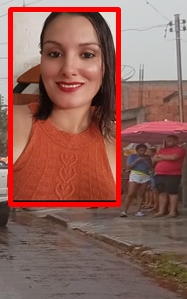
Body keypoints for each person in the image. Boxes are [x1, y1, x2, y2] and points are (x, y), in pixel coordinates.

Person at [12, 12, 117, 202]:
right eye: (54, 54)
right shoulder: (14, 123)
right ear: (43, 60)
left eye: (87, 54)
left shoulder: (116, 138)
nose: (68, 69)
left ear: (106, 64)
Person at [151, 134, 186, 218]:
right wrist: (164, 157)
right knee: (162, 193)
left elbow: (173, 157)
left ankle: (172, 212)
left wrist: (160, 156)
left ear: (176, 141)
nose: (167, 142)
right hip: (159, 173)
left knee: (172, 193)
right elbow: (154, 159)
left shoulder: (180, 149)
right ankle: (161, 211)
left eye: (169, 141)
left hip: (173, 174)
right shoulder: (162, 150)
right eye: (166, 141)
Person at [121, 144, 153, 217]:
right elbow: (128, 167)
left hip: (145, 175)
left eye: (144, 151)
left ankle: (138, 211)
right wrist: (137, 160)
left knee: (141, 194)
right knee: (130, 193)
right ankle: (124, 211)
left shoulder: (147, 157)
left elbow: (151, 167)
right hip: (135, 174)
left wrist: (146, 161)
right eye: (141, 150)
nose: (143, 152)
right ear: (137, 150)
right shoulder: (132, 156)